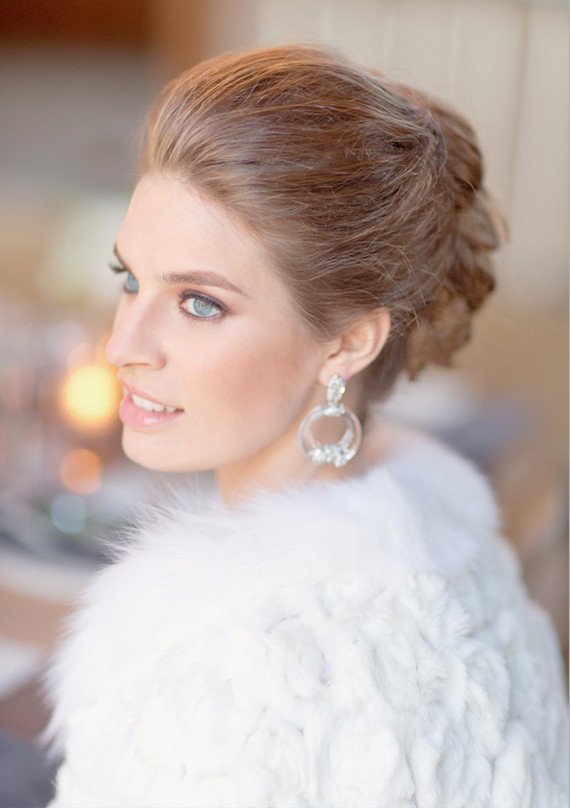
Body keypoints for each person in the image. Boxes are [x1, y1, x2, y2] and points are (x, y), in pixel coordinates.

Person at [44, 45, 568, 807]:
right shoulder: (457, 550)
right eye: (130, 278)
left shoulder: (234, 684)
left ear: (349, 342)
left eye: (199, 304)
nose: (122, 345)